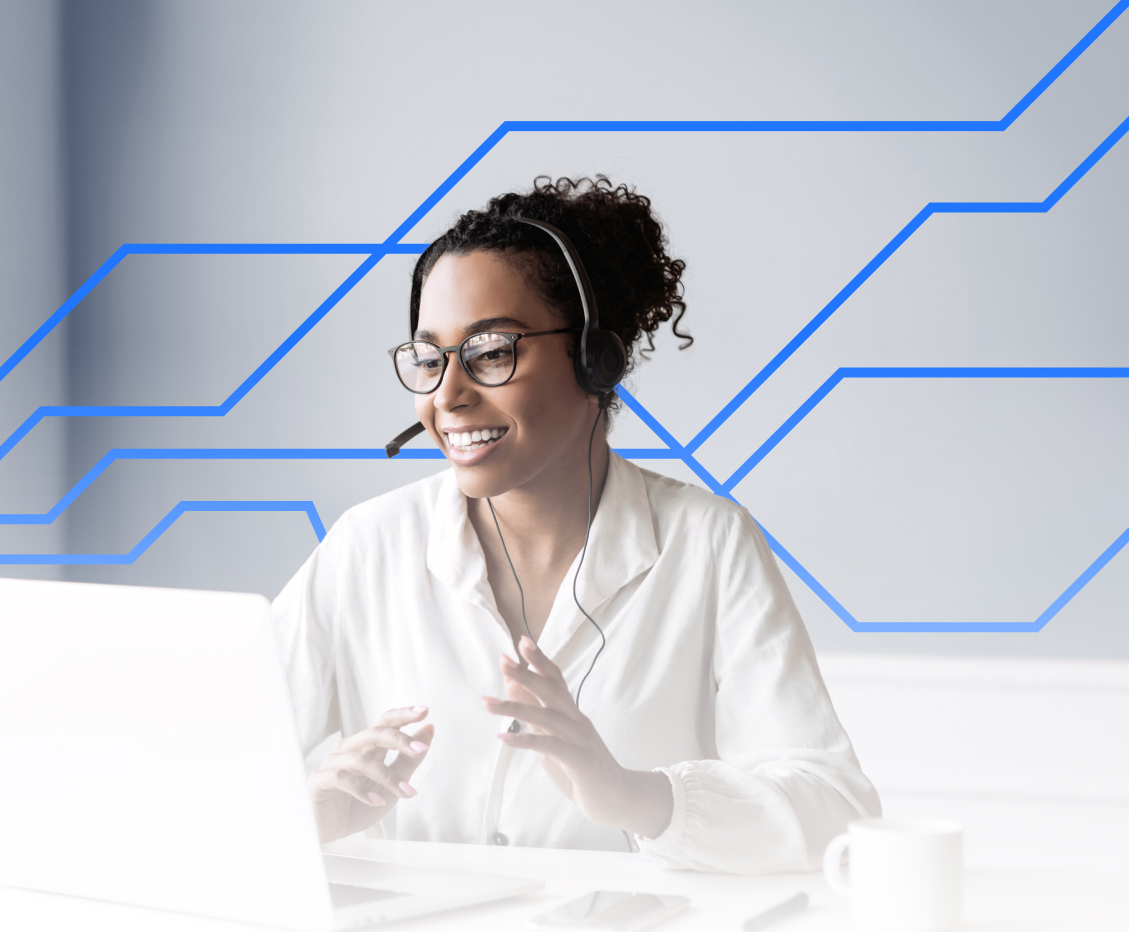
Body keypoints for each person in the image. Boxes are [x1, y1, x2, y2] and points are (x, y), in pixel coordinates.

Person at [271, 176, 880, 874]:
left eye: (492, 351)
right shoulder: (366, 547)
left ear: (596, 359)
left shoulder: (708, 544)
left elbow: (837, 810)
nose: (448, 396)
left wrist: (640, 799)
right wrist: (303, 813)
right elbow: (192, 774)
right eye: (430, 359)